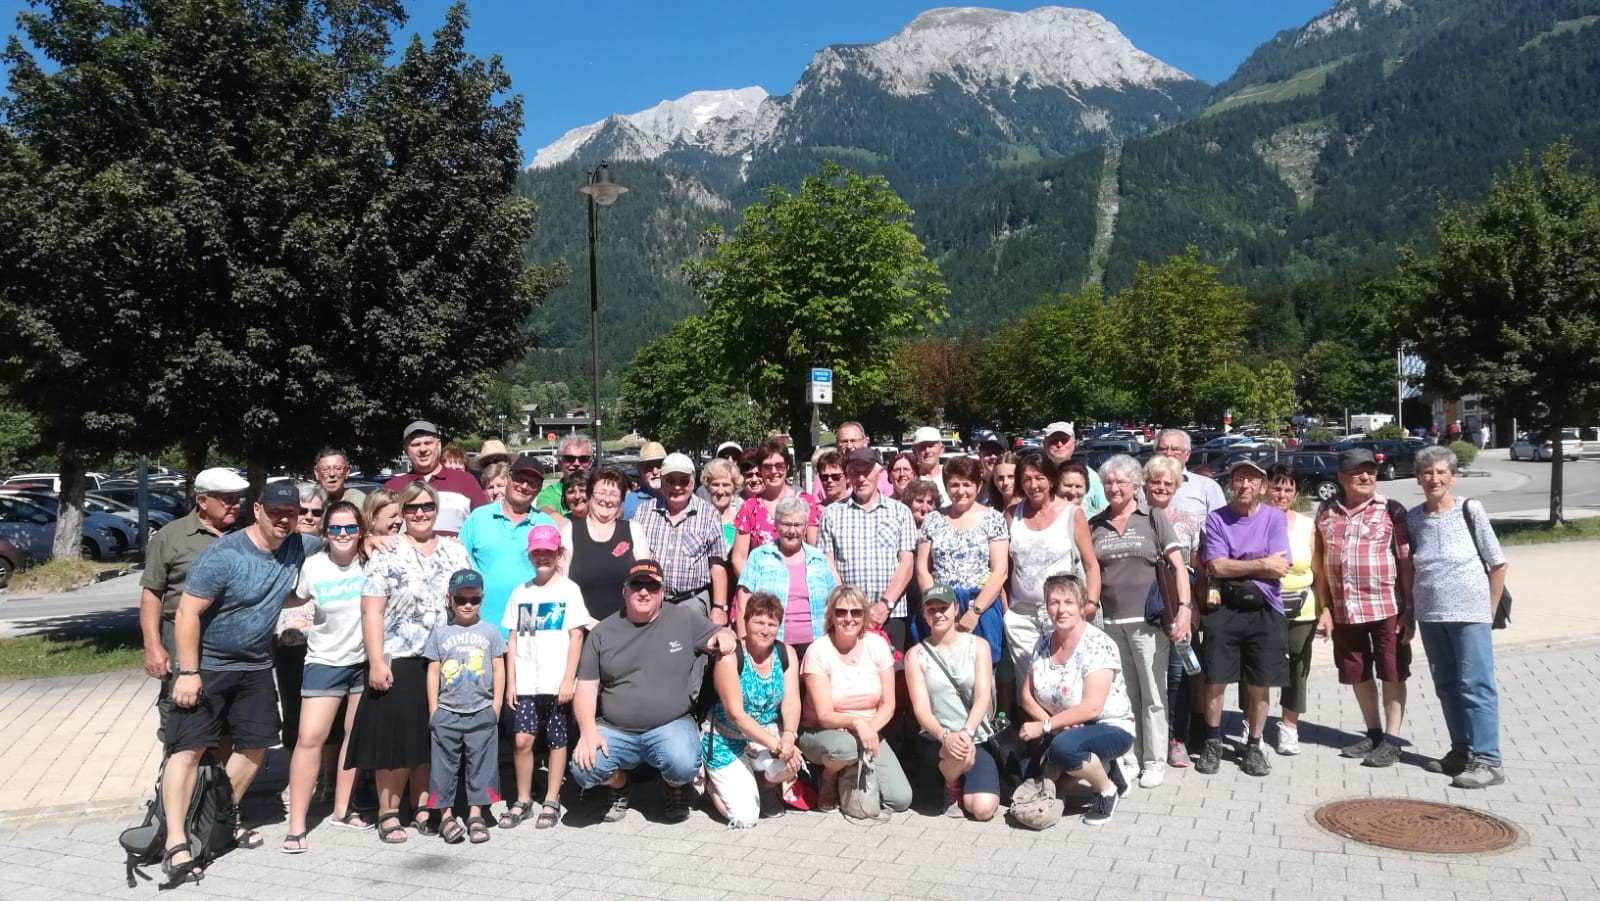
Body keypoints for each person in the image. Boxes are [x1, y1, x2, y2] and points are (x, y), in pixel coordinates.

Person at [160, 481, 321, 883]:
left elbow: (343, 543)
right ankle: (176, 841)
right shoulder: (224, 554)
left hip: (254, 667)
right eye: (277, 511)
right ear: (258, 511)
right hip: (209, 666)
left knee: (254, 748)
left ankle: (216, 821)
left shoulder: (300, 546)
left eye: (292, 512)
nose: (285, 519)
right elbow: (186, 614)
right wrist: (189, 672)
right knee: (189, 750)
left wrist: (374, 542)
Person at [347, 481, 473, 844]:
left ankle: (424, 808)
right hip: (400, 655)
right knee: (396, 741)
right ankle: (388, 811)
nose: (420, 514)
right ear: (402, 513)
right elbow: (372, 610)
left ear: (436, 510)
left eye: (427, 507)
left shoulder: (455, 551)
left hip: (444, 657)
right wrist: (375, 660)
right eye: (412, 508)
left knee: (433, 739)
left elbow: (467, 600)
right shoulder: (387, 552)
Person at [570, 560, 736, 824]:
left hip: (670, 724)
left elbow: (721, 633)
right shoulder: (602, 632)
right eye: (637, 585)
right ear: (624, 591)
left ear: (662, 592)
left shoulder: (683, 618)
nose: (644, 592)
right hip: (616, 728)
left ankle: (673, 787)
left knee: (683, 763)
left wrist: (726, 637)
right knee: (584, 768)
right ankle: (620, 786)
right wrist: (588, 732)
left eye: (652, 586)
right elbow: (587, 688)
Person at [1407, 445, 1507, 788]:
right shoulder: (1414, 517)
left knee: (1475, 685)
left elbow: (1497, 562)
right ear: (1418, 477)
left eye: (1440, 472)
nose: (1433, 478)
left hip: (1470, 613)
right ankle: (1461, 752)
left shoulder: (1469, 509)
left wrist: (1489, 609)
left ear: (1452, 476)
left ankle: (1489, 760)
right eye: (1427, 472)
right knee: (1447, 686)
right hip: (1431, 614)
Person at [1089, 455, 1190, 789]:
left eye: (1121, 482)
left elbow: (1177, 566)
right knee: (1124, 697)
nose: (1114, 488)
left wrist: (1185, 609)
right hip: (1110, 623)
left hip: (1147, 621)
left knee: (1153, 694)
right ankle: (1129, 758)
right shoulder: (1095, 524)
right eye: (1109, 482)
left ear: (1135, 486)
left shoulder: (1153, 517)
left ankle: (1154, 761)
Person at [1312, 448, 1414, 769]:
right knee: (1357, 671)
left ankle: (1393, 740)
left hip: (1387, 607)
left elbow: (1406, 562)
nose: (1367, 477)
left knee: (1392, 671)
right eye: (1358, 472)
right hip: (1344, 610)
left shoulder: (1392, 510)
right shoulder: (1326, 512)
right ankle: (1373, 732)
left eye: (1370, 470)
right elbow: (1319, 564)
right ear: (1342, 478)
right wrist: (1324, 607)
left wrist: (1409, 607)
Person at [282, 501, 372, 854]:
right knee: (309, 739)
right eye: (335, 529)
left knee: (354, 737)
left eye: (350, 528)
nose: (343, 535)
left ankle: (342, 808)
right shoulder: (313, 567)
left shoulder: (371, 561)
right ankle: (296, 825)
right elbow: (292, 597)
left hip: (365, 662)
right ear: (325, 533)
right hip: (325, 662)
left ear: (360, 530)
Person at [1197, 459, 1292, 778]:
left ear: (1263, 487)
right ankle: (1212, 741)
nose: (1246, 485)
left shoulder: (1274, 518)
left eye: (1253, 480)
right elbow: (1217, 568)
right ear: (1231, 484)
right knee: (1215, 680)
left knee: (1260, 682)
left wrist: (1238, 564)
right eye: (1239, 479)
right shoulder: (1216, 519)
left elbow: (1281, 566)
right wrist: (1261, 563)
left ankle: (1254, 744)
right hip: (1224, 607)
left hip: (1266, 609)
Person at [1017, 573, 1135, 826]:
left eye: (1068, 602)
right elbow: (1026, 695)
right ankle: (1107, 767)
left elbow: (1092, 707)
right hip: (1064, 726)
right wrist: (1056, 723)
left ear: (1082, 606)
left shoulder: (1098, 644)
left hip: (1109, 725)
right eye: (1054, 602)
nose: (1060, 609)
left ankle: (1105, 790)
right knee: (1028, 778)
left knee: (1065, 750)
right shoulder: (1043, 642)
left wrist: (1047, 727)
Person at [139, 467, 246, 743]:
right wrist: (153, 647)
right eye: (227, 499)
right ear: (202, 501)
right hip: (180, 635)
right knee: (182, 711)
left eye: (238, 498)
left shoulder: (246, 535)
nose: (235, 504)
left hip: (231, 641)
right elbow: (152, 594)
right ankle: (178, 779)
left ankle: (217, 783)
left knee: (226, 716)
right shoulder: (170, 536)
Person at [499, 524, 592, 829]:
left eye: (548, 552)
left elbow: (576, 636)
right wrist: (512, 682)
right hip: (527, 681)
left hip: (556, 683)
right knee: (522, 740)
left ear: (558, 554)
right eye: (536, 552)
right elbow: (513, 638)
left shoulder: (568, 590)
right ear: (530, 554)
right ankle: (523, 799)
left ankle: (552, 798)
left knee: (556, 739)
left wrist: (569, 679)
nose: (542, 557)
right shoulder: (521, 592)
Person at [797, 586, 912, 815]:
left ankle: (850, 771)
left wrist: (867, 730)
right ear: (831, 615)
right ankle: (828, 777)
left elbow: (888, 705)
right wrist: (857, 724)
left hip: (869, 729)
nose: (848, 618)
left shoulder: (877, 645)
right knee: (845, 749)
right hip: (825, 731)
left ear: (864, 615)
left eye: (856, 612)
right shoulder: (818, 651)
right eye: (841, 612)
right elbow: (824, 714)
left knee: (900, 800)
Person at [704, 592, 803, 828]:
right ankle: (711, 785)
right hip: (726, 738)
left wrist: (789, 735)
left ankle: (764, 785)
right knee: (746, 818)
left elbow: (792, 702)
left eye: (772, 623)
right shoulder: (730, 656)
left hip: (766, 734)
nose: (765, 630)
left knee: (792, 766)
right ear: (746, 621)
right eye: (759, 622)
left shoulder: (785, 653)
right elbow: (736, 714)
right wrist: (778, 746)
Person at [1005, 454, 1101, 692]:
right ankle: (1037, 729)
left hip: (1061, 613)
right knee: (1028, 686)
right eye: (1026, 479)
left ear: (1051, 479)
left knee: (1063, 683)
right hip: (1021, 617)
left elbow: (1091, 564)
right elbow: (1004, 568)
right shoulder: (1011, 514)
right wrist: (1007, 610)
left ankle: (1063, 730)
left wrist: (1091, 603)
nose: (1033, 485)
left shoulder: (1072, 513)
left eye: (1039, 478)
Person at [424, 570, 506, 845]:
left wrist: (496, 707)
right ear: (450, 600)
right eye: (461, 599)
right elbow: (433, 671)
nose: (468, 605)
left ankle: (476, 814)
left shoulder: (490, 631)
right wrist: (433, 709)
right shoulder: (440, 633)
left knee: (481, 765)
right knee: (443, 766)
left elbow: (498, 667)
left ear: (482, 599)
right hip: (447, 711)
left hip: (481, 710)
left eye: (475, 599)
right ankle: (445, 815)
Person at [903, 586, 999, 821]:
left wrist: (967, 732)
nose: (938, 614)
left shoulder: (978, 646)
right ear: (924, 615)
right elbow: (921, 710)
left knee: (983, 809)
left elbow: (983, 696)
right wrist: (946, 735)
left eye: (944, 608)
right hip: (937, 737)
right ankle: (951, 784)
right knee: (960, 755)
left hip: (974, 735)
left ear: (956, 609)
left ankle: (967, 779)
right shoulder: (915, 655)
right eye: (931, 609)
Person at [1142, 454, 1207, 769]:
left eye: (1168, 483)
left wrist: (1191, 609)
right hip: (1144, 608)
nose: (1161, 488)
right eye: (1156, 482)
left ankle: (1177, 739)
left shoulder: (1188, 520)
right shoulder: (1136, 517)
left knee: (1179, 675)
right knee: (1149, 676)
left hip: (1178, 608)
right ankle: (1149, 739)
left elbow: (1196, 567)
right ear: (1145, 484)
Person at [818, 448, 919, 648]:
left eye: (867, 472)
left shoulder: (900, 512)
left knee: (891, 675)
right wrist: (849, 604)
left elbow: (906, 563)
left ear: (879, 473)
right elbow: (828, 563)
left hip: (891, 613)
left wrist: (885, 604)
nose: (861, 478)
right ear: (848, 476)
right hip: (848, 615)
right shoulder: (832, 514)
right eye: (855, 472)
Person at [914, 456, 1008, 660]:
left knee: (982, 677)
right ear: (946, 487)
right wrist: (938, 608)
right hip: (941, 609)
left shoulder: (994, 519)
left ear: (978, 485)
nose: (960, 491)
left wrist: (974, 613)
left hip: (981, 607)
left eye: (967, 484)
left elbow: (1000, 571)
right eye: (954, 485)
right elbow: (922, 568)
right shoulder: (933, 519)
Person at [458, 453, 558, 631]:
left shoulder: (546, 524)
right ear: (509, 479)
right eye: (520, 479)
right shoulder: (478, 518)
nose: (524, 486)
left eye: (532, 482)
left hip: (530, 626)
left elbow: (557, 575)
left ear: (539, 489)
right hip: (482, 625)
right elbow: (458, 564)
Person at [1263, 463, 1318, 757]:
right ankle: (1253, 724)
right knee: (1256, 666)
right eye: (1276, 487)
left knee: (1296, 667)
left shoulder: (1308, 525)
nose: (1281, 494)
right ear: (1266, 488)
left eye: (1288, 489)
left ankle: (1289, 726)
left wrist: (1328, 614)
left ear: (1296, 493)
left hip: (1301, 607)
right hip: (1260, 606)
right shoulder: (1253, 519)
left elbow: (1318, 570)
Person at [735, 496, 838, 651]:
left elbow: (833, 602)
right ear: (776, 525)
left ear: (805, 527)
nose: (792, 531)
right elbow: (743, 601)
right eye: (786, 524)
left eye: (798, 525)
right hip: (771, 645)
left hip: (816, 646)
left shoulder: (818, 559)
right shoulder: (759, 556)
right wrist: (744, 643)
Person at [565, 469, 652, 621]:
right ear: (590, 495)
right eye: (601, 492)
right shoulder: (569, 531)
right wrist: (585, 621)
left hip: (626, 626)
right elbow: (561, 584)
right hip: (580, 625)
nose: (607, 499)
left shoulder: (634, 530)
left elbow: (646, 580)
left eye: (614, 494)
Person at [384, 421, 487, 538]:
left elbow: (484, 526)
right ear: (406, 450)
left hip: (456, 555)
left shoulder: (466, 481)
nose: (423, 449)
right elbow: (378, 530)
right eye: (415, 444)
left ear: (438, 445)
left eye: (428, 443)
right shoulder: (392, 488)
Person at [731, 439, 821, 573]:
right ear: (760, 469)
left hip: (799, 582)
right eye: (767, 466)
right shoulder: (750, 507)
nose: (773, 471)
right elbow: (739, 557)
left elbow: (814, 550)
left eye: (779, 465)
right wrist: (753, 586)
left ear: (788, 467)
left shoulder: (806, 502)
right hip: (760, 586)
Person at [1150, 429, 1227, 520]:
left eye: (1175, 449)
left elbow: (1221, 526)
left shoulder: (1207, 486)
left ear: (1187, 454)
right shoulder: (1141, 488)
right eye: (1163, 449)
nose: (1169, 453)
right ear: (1155, 453)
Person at [1041, 422, 1107, 516]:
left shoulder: (1091, 476)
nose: (1059, 444)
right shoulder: (1036, 476)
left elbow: (1106, 512)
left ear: (1074, 444)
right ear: (1044, 445)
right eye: (1054, 440)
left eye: (1064, 440)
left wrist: (1088, 511)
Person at [812, 422, 892, 497]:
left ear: (865, 442)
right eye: (844, 441)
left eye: (854, 441)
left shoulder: (880, 475)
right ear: (837, 444)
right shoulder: (825, 477)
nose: (849, 446)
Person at [536, 435, 594, 516]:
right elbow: (547, 513)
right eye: (569, 458)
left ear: (590, 463)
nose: (576, 463)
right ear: (559, 462)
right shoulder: (549, 494)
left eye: (583, 459)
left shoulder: (599, 490)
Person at [700, 457, 740, 552]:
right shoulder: (700, 518)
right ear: (707, 487)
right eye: (715, 485)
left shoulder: (742, 517)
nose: (720, 491)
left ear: (734, 487)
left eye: (726, 485)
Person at [621, 441, 667, 519]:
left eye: (660, 465)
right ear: (640, 471)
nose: (655, 472)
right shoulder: (628, 501)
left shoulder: (676, 497)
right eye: (649, 466)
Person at [909, 426, 951, 505]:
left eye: (931, 446)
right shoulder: (910, 479)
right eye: (922, 447)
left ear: (941, 449)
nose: (927, 451)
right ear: (914, 451)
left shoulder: (951, 477)